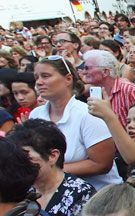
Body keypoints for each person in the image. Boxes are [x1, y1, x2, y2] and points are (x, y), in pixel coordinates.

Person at [29, 56, 121, 189]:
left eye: (46, 76)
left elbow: (101, 164)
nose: (39, 82)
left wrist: (50, 172)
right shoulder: (36, 114)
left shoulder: (88, 114)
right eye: (36, 77)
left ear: (68, 79)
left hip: (97, 195)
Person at [6, 119, 96, 216]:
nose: (18, 165)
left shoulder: (81, 194)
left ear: (52, 156)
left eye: (25, 158)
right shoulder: (21, 190)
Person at [81, 49, 135, 128]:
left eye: (87, 68)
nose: (84, 72)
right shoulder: (95, 92)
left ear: (105, 72)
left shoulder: (128, 90)